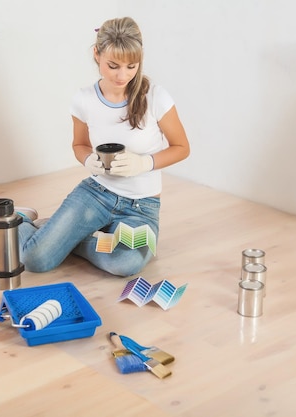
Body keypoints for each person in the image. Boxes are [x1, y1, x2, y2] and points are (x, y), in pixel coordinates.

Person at [16, 16, 190, 277]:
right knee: (35, 259)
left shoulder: (155, 96)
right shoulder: (83, 99)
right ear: (97, 54)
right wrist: (88, 160)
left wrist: (145, 163)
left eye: (132, 66)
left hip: (142, 207)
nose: (123, 76)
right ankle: (15, 221)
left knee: (125, 263)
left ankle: (60, 235)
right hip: (97, 194)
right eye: (113, 65)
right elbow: (80, 144)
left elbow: (182, 147)